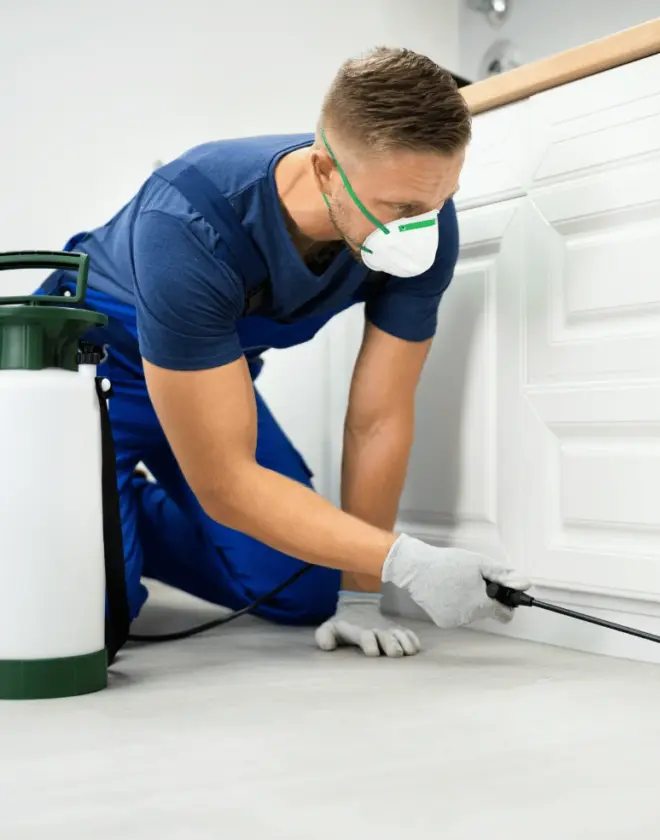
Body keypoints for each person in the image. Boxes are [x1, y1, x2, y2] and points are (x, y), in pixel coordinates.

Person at [38, 47, 531, 659]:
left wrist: (360, 596)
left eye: (440, 200)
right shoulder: (189, 223)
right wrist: (405, 560)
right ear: (326, 170)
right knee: (85, 623)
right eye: (401, 209)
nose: (424, 226)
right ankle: (93, 497)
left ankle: (123, 513)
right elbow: (225, 483)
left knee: (305, 591)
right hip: (96, 370)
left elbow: (378, 420)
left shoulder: (423, 217)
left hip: (212, 377)